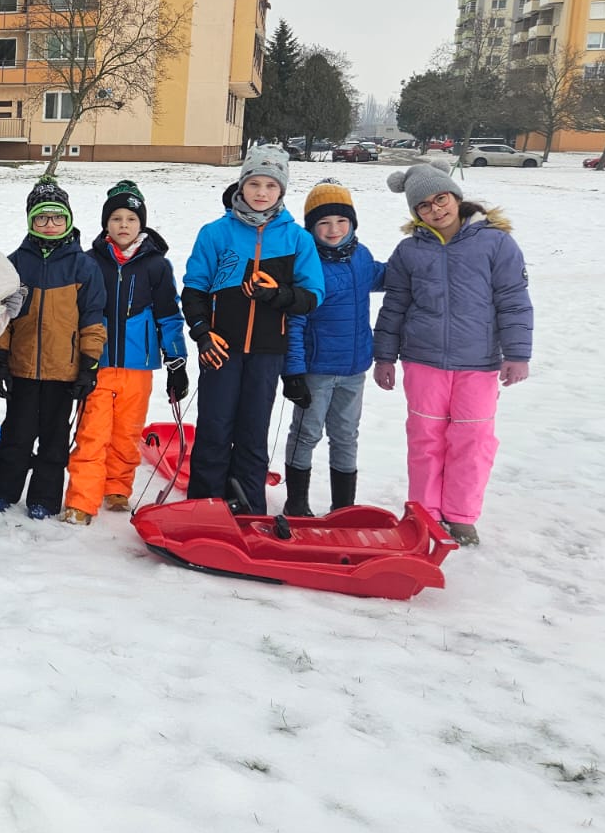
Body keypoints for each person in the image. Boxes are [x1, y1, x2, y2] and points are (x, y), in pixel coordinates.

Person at [372, 162, 532, 546]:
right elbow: (395, 306)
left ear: (455, 197)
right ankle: (425, 514)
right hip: (423, 360)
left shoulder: (496, 243)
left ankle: (461, 515)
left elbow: (513, 300)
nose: (436, 209)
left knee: (472, 440)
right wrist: (384, 357)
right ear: (416, 213)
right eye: (424, 206)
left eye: (440, 199)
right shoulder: (409, 251)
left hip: (478, 362)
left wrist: (517, 353)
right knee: (425, 439)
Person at [180, 146, 324, 514]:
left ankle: (249, 509)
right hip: (220, 349)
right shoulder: (215, 233)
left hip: (267, 352)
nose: (262, 192)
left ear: (282, 190)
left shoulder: (297, 239)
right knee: (214, 427)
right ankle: (204, 506)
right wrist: (202, 332)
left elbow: (313, 296)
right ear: (241, 185)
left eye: (271, 185)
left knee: (253, 431)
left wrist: (279, 294)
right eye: (254, 183)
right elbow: (194, 289)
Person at [61, 181, 187, 524]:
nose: (123, 225)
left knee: (127, 432)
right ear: (106, 223)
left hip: (137, 366)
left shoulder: (156, 265)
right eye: (116, 218)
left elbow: (168, 314)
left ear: (141, 224)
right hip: (98, 364)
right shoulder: (90, 261)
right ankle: (81, 500)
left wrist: (176, 359)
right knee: (92, 432)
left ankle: (117, 487)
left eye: (131, 219)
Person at [0, 177, 106, 519]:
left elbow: (93, 319)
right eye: (41, 217)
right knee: (16, 433)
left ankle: (45, 497)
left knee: (54, 439)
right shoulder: (15, 263)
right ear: (30, 220)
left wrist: (88, 364)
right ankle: (2, 489)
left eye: (57, 217)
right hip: (22, 367)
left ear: (68, 219)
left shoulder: (84, 266)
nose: (49, 224)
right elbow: (2, 317)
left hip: (63, 370)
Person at [279, 179, 384, 516]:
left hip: (354, 369)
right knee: (306, 433)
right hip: (317, 370)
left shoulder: (361, 257)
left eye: (342, 221)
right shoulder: (306, 264)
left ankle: (343, 507)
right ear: (311, 227)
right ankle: (297, 503)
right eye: (324, 222)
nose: (334, 229)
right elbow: (295, 322)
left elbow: (386, 275)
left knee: (346, 434)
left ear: (353, 223)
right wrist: (293, 372)